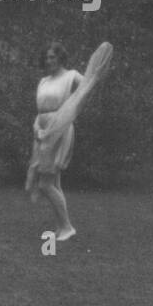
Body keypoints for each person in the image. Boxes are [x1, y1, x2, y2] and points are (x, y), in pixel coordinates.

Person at [26, 41, 113, 241]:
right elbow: (40, 110)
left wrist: (99, 72)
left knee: (45, 184)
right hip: (42, 131)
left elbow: (89, 85)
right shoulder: (43, 81)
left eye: (53, 57)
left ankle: (67, 226)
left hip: (59, 129)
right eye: (47, 57)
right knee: (53, 182)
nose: (49, 61)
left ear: (60, 58)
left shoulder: (71, 75)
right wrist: (37, 129)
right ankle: (61, 227)